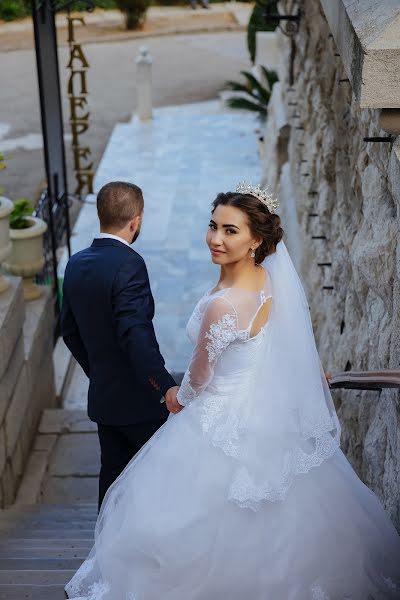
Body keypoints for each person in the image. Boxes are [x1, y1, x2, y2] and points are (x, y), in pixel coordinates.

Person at [65, 183, 400, 599]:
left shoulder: (223, 304)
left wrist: (177, 398)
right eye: (213, 226)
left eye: (230, 231)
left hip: (218, 416)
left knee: (184, 514)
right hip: (264, 414)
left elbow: (200, 376)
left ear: (256, 239)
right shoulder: (269, 282)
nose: (216, 239)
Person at [60, 181, 180, 511]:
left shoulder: (75, 263)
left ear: (100, 215)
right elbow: (136, 336)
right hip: (140, 404)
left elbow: (68, 331)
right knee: (158, 480)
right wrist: (165, 386)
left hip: (104, 399)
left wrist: (99, 370)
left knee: (112, 478)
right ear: (136, 221)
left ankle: (106, 551)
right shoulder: (129, 264)